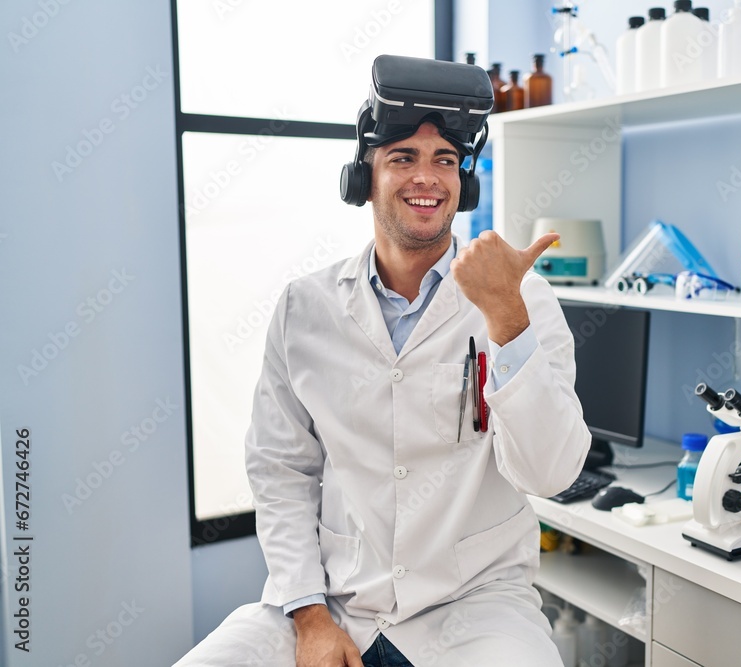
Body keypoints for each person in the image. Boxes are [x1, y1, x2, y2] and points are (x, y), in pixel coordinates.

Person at [175, 57, 590, 667]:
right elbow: (280, 469)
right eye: (403, 158)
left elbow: (552, 474)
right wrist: (310, 614)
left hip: (476, 604)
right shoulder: (306, 308)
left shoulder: (523, 299)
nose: (428, 177)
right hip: (337, 596)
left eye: (445, 160)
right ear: (362, 178)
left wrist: (505, 318)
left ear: (464, 182)